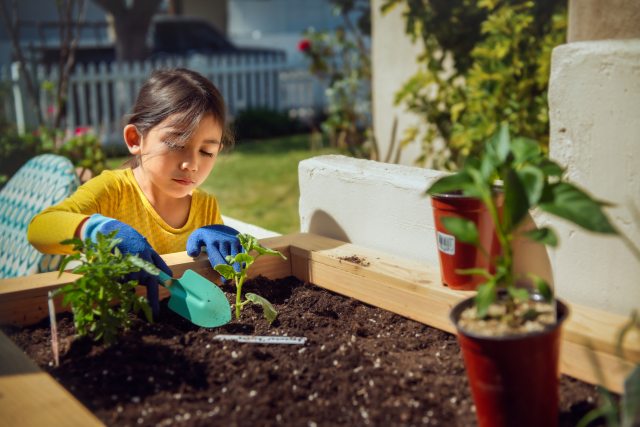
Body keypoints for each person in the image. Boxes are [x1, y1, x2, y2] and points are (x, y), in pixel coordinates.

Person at [28, 68, 242, 318]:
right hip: (114, 315)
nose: (192, 164)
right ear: (135, 139)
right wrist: (95, 230)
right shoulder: (113, 191)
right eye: (176, 144)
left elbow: (213, 277)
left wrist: (226, 245)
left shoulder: (205, 206)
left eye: (206, 152)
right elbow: (39, 229)